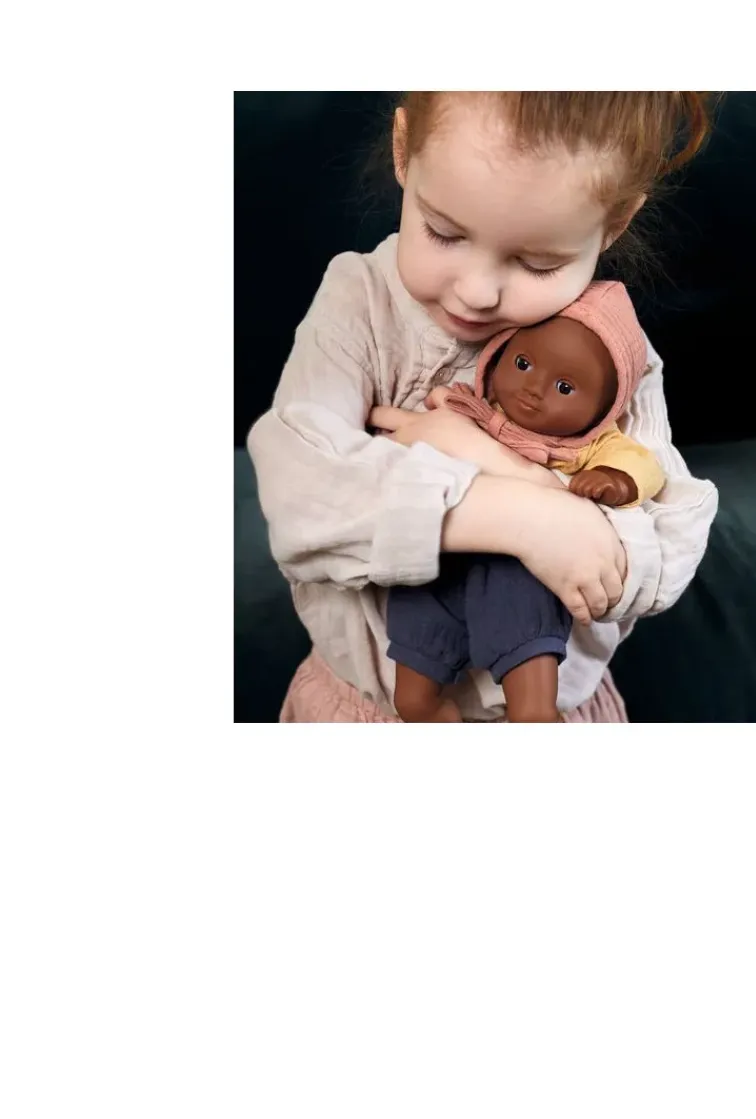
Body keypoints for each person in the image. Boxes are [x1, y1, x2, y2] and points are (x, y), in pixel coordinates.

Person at [247, 92, 720, 722]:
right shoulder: (361, 301)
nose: (476, 292)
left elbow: (666, 551)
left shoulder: (613, 353)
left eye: (538, 263)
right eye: (443, 233)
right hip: (365, 710)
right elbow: (300, 497)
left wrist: (504, 469)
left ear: (615, 222)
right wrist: (512, 515)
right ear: (403, 151)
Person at [386, 283, 667, 722]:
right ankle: (426, 708)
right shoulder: (476, 409)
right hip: (446, 559)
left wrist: (615, 480)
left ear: (603, 410)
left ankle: (535, 712)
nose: (534, 388)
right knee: (411, 688)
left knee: (525, 629)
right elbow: (423, 439)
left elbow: (645, 466)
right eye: (522, 363)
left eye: (564, 387)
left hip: (519, 571)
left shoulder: (589, 445)